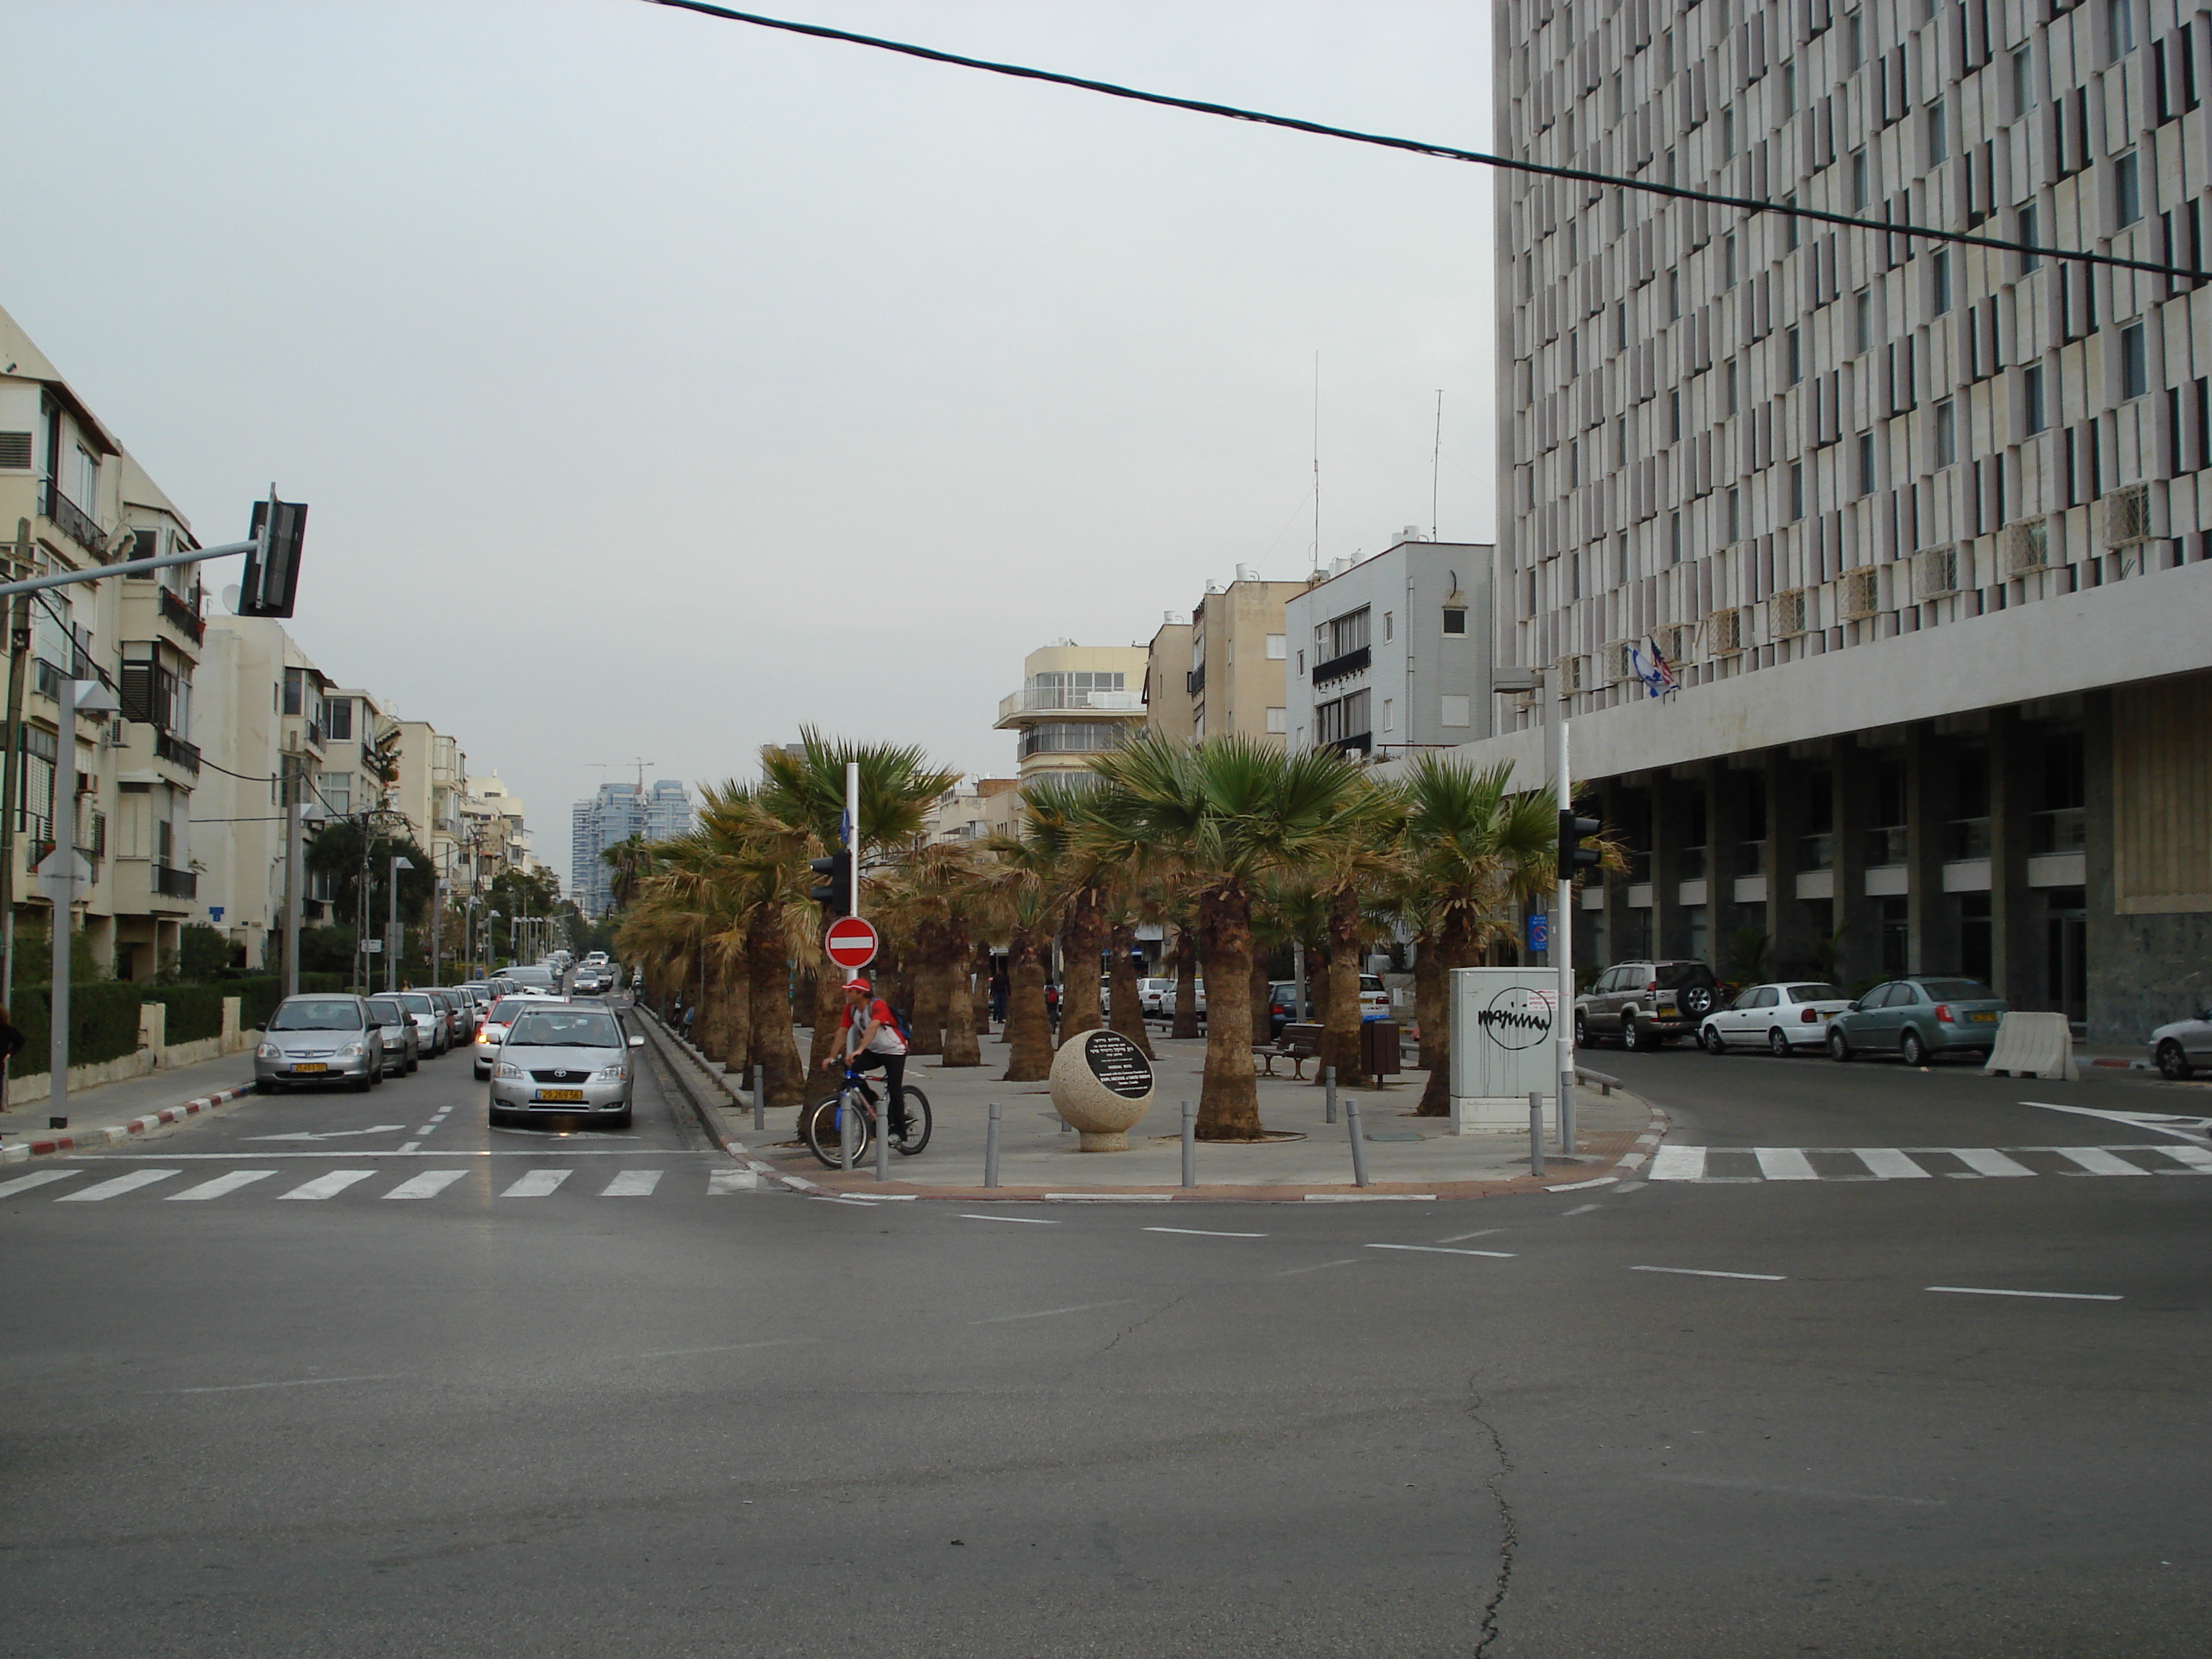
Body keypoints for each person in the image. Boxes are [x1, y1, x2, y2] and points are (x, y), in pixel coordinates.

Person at [821, 976, 909, 1138]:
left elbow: (873, 1027)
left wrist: (859, 1050)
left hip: (894, 1050)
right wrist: (831, 1057)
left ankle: (899, 1132)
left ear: (861, 993)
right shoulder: (851, 1009)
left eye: (850, 991)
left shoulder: (878, 1005)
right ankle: (873, 1101)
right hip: (874, 1050)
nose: (846, 993)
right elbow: (842, 1031)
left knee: (895, 1089)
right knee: (851, 1068)